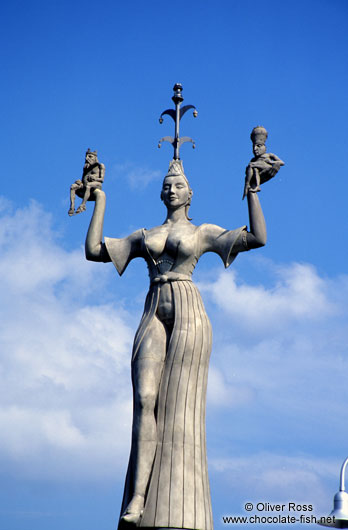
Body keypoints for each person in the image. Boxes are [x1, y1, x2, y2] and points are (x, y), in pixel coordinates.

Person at [85, 159, 267, 530]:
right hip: (153, 307)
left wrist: (252, 192)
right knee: (143, 401)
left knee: (180, 407)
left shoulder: (202, 232)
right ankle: (138, 498)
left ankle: (177, 498)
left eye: (178, 185)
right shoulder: (143, 235)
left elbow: (257, 238)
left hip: (188, 309)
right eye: (167, 185)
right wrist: (99, 199)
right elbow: (94, 250)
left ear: (190, 194)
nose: (171, 189)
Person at [242, 126, 284, 199]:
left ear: (264, 147)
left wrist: (271, 162)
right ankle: (256, 186)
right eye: (253, 147)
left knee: (252, 165)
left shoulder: (269, 155)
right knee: (254, 168)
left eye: (258, 146)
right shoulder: (254, 159)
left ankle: (247, 185)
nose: (255, 149)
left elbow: (282, 162)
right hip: (258, 172)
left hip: (266, 167)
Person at [68, 149, 105, 216]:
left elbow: (102, 179)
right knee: (73, 187)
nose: (87, 158)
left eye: (90, 156)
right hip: (84, 186)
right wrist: (80, 182)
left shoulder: (100, 166)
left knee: (88, 185)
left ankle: (83, 205)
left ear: (95, 157)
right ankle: (72, 207)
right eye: (86, 157)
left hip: (96, 184)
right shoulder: (86, 167)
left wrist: (95, 178)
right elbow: (83, 178)